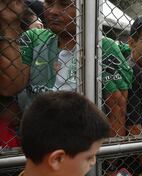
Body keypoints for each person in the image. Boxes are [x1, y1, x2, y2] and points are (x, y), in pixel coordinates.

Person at [0, 0, 132, 137]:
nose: (53, 11)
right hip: (35, 144)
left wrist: (108, 157)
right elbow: (10, 87)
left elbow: (117, 112)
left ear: (85, 8)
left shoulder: (104, 48)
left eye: (64, 4)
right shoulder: (34, 39)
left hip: (81, 146)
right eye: (49, 3)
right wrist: (10, 24)